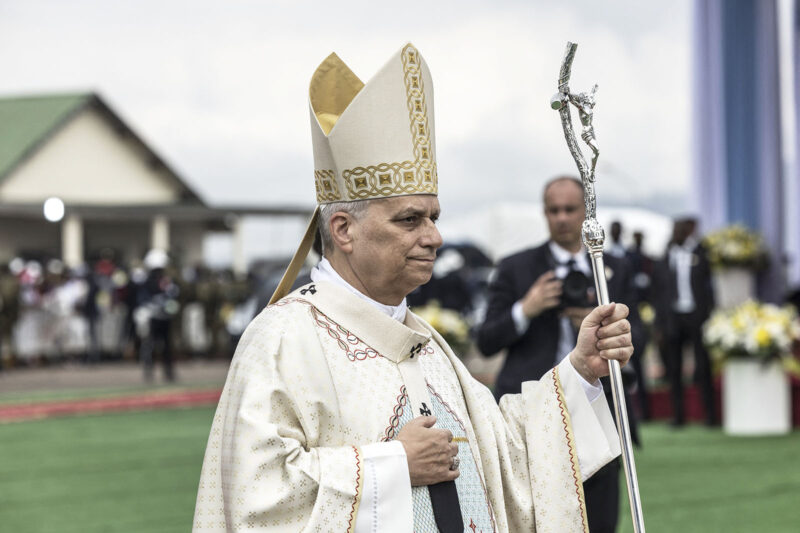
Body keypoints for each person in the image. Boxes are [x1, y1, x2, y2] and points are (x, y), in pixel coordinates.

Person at [193, 44, 633, 533]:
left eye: (435, 217)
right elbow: (258, 500)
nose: (435, 237)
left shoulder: (425, 345)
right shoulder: (282, 340)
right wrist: (392, 466)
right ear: (343, 229)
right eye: (410, 219)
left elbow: (504, 456)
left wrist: (580, 371)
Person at [475, 176, 639, 533]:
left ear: (585, 212)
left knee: (599, 517)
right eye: (553, 210)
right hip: (529, 410)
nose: (562, 217)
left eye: (570, 209)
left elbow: (638, 333)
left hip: (598, 407)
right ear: (544, 213)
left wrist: (604, 330)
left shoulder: (613, 267)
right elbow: (485, 339)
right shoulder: (516, 268)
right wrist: (526, 308)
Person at [652, 217, 716, 426]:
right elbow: (659, 293)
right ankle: (678, 416)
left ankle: (710, 415)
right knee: (674, 367)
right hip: (674, 317)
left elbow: (709, 287)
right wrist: (659, 324)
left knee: (703, 365)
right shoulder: (666, 256)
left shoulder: (700, 253)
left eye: (681, 230)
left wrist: (710, 313)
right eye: (675, 230)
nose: (677, 234)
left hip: (696, 316)